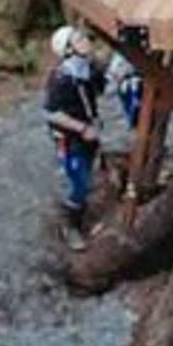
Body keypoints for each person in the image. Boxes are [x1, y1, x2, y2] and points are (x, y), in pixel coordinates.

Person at [43, 26, 106, 248]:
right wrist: (81, 128)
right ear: (69, 49)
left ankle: (82, 209)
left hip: (88, 131)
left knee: (90, 167)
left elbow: (101, 87)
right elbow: (52, 113)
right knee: (81, 182)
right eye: (78, 40)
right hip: (70, 138)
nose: (85, 41)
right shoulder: (62, 79)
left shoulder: (87, 70)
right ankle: (70, 225)